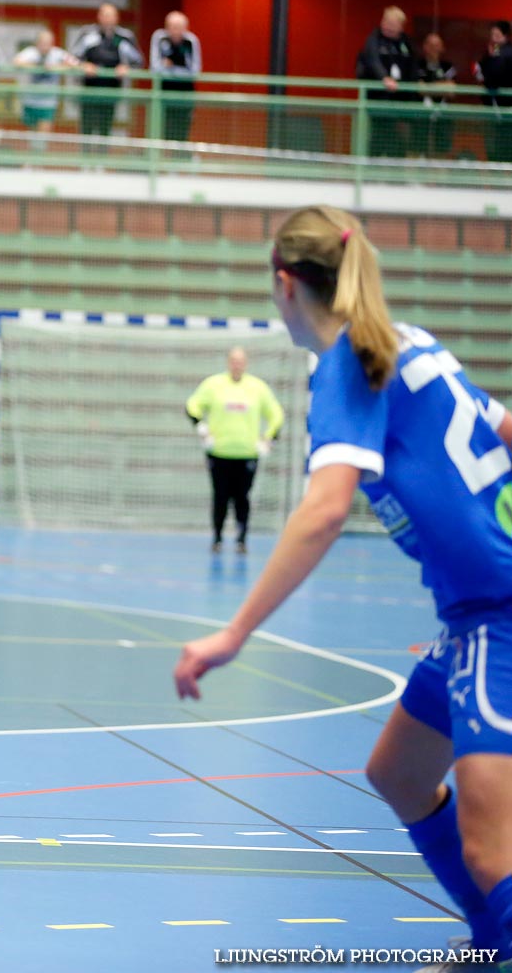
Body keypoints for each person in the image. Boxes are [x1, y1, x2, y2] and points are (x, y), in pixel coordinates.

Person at [174, 205, 512, 970]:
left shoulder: (346, 368)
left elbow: (325, 509)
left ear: (285, 284)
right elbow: (503, 426)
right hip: (473, 617)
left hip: (498, 614)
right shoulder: (408, 343)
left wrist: (235, 633)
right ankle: (492, 941)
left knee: (492, 853)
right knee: (396, 772)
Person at [185, 347, 284, 555]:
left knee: (242, 498)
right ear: (228, 362)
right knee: (220, 497)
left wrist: (268, 439)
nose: (237, 364)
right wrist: (201, 427)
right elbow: (192, 405)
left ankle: (241, 538)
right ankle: (217, 537)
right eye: (233, 360)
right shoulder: (213, 385)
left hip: (247, 454)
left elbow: (276, 414)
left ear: (246, 363)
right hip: (219, 452)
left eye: (241, 360)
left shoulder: (257, 388)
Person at [71, 3, 144, 143]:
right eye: (104, 15)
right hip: (89, 88)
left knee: (105, 126)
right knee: (87, 125)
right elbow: (72, 58)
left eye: (111, 15)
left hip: (112, 88)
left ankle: (101, 161)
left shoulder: (125, 36)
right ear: (99, 16)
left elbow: (138, 62)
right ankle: (85, 162)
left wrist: (126, 68)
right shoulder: (87, 33)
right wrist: (83, 65)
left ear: (117, 18)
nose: (107, 19)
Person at [356, 6, 418, 159]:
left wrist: (412, 87)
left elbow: (413, 66)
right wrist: (384, 77)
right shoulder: (374, 39)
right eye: (387, 22)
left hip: (401, 100)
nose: (390, 26)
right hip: (378, 97)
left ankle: (396, 171)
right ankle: (372, 167)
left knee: (399, 137)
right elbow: (372, 60)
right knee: (379, 133)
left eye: (395, 24)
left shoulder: (406, 42)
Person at [11, 29, 79, 150]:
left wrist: (55, 68)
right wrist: (37, 67)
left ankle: (38, 161)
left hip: (48, 103)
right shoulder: (31, 52)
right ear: (37, 43)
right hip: (30, 101)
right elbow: (16, 62)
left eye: (48, 43)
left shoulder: (57, 54)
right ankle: (31, 162)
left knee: (43, 135)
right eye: (42, 42)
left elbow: (75, 64)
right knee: (32, 134)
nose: (45, 46)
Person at [150, 11, 202, 143]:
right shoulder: (159, 37)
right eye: (171, 26)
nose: (174, 30)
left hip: (185, 92)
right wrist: (175, 68)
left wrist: (170, 67)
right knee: (162, 128)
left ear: (185, 28)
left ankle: (180, 158)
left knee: (182, 128)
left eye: (178, 27)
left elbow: (195, 71)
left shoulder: (191, 41)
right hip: (163, 91)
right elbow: (154, 68)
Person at [414, 33, 458, 158]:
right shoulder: (418, 65)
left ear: (442, 47)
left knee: (442, 150)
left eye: (437, 45)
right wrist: (441, 86)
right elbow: (419, 89)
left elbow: (451, 90)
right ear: (425, 47)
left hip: (443, 113)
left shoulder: (448, 66)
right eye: (431, 44)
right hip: (421, 114)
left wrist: (429, 87)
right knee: (420, 147)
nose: (434, 48)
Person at [475, 21, 512, 163]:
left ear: (506, 36)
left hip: (502, 104)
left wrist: (489, 62)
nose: (493, 38)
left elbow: (493, 76)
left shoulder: (502, 52)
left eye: (497, 35)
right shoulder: (495, 51)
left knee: (501, 140)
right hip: (496, 106)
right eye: (492, 35)